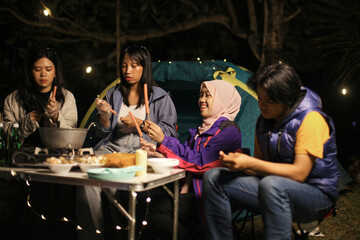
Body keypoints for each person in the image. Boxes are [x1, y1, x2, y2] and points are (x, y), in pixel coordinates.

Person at [202, 63, 341, 240]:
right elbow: (262, 167)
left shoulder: (311, 118)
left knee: (272, 185)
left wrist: (251, 163)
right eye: (260, 98)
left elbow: (300, 173)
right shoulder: (264, 121)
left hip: (316, 196)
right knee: (214, 177)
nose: (262, 105)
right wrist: (240, 165)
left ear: (287, 98)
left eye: (270, 100)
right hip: (273, 188)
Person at [76, 45, 178, 240]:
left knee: (118, 185)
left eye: (134, 65)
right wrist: (105, 116)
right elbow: (103, 131)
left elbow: (170, 133)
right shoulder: (113, 94)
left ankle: (122, 233)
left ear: (144, 67)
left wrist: (141, 123)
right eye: (124, 65)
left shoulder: (160, 97)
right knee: (87, 175)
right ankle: (91, 235)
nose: (128, 71)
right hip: (113, 147)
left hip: (142, 149)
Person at [140, 80, 243, 240]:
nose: (201, 100)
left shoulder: (229, 131)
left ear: (222, 100)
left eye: (208, 95)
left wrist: (165, 140)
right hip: (188, 189)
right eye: (201, 95)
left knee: (154, 211)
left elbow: (201, 162)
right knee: (146, 198)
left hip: (209, 195)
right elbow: (185, 159)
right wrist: (159, 151)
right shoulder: (199, 132)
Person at [3, 46, 77, 147]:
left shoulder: (67, 97)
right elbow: (6, 135)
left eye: (48, 69)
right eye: (37, 69)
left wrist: (56, 117)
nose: (43, 74)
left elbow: (71, 138)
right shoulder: (13, 98)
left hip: (55, 158)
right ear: (30, 71)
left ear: (55, 72)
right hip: (22, 156)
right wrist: (27, 122)